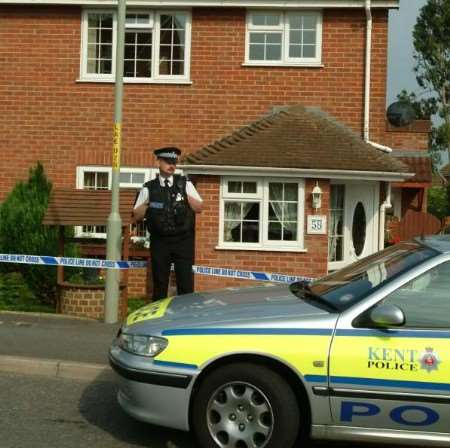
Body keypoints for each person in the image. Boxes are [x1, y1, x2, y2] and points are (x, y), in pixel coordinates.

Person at [133, 147, 203, 300]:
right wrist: (147, 203)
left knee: (185, 283)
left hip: (183, 241)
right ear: (158, 162)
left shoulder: (184, 183)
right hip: (160, 241)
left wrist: (184, 195)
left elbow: (199, 208)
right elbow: (137, 216)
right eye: (168, 162)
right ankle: (158, 320)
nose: (172, 165)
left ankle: (185, 318)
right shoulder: (149, 187)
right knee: (160, 283)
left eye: (174, 162)